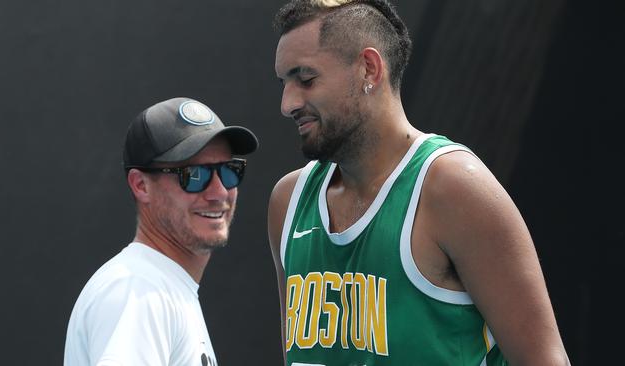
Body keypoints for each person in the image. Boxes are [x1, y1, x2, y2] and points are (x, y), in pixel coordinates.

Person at [267, 1, 570, 365]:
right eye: (285, 82)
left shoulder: (454, 189)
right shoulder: (288, 202)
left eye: (306, 79)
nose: (287, 103)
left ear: (368, 68)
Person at [64, 97, 258, 366]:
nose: (219, 192)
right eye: (194, 174)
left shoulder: (159, 287)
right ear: (141, 185)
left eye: (229, 171)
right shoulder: (138, 290)